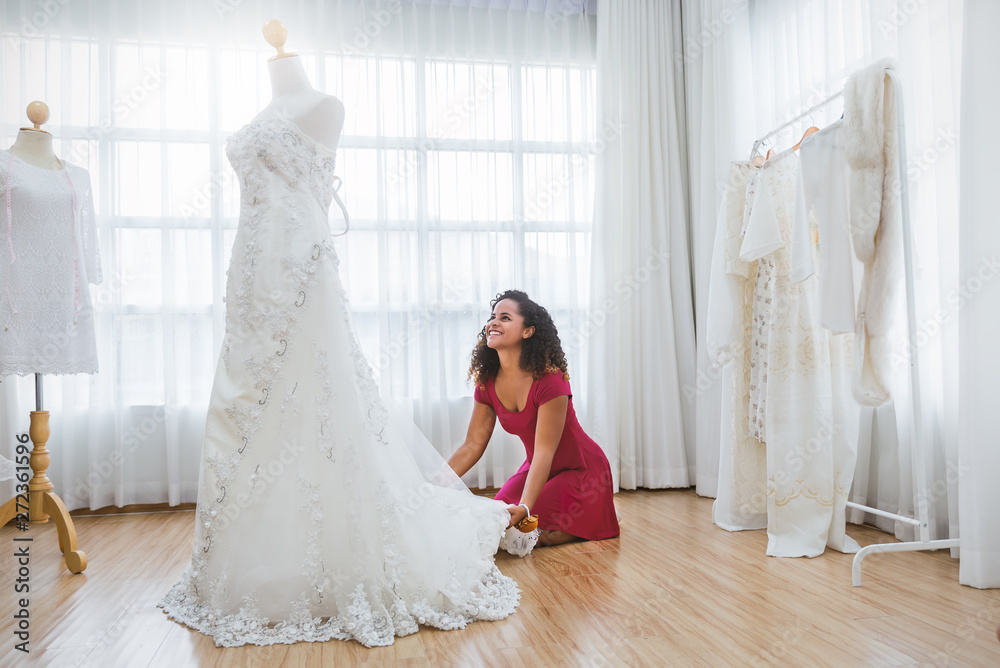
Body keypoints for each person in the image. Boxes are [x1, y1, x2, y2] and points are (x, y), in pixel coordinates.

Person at [158, 49, 520, 649]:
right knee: (242, 410)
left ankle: (343, 556)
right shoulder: (267, 109)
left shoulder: (323, 106)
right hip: (250, 277)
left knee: (313, 404)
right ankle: (243, 562)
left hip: (298, 269)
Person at [448, 290, 620, 547]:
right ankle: (561, 523)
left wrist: (527, 506)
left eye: (505, 318)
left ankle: (584, 518)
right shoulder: (486, 383)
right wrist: (433, 486)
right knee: (496, 518)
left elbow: (544, 451)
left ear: (528, 331)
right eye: (492, 317)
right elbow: (471, 446)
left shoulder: (551, 379)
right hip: (538, 470)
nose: (493, 323)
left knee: (520, 525)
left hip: (581, 470)